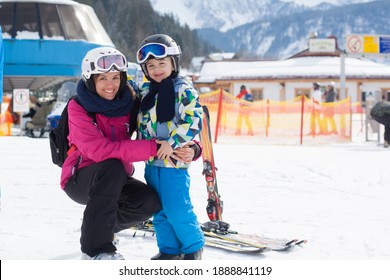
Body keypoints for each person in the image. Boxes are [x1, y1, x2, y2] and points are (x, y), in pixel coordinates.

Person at [61, 46, 200, 260]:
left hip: (114, 178)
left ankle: (99, 227)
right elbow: (100, 151)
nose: (111, 85)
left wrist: (191, 148)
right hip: (80, 177)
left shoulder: (129, 101)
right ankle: (96, 250)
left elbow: (166, 124)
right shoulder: (78, 106)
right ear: (91, 80)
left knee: (150, 201)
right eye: (103, 79)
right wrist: (153, 147)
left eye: (116, 78)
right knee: (112, 165)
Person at [136, 34, 205, 260]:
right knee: (159, 209)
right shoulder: (145, 93)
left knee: (177, 208)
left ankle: (193, 247)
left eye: (162, 64)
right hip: (151, 162)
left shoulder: (182, 90)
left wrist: (172, 142)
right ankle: (168, 249)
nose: (157, 69)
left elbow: (195, 120)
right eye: (151, 65)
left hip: (173, 162)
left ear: (173, 63)